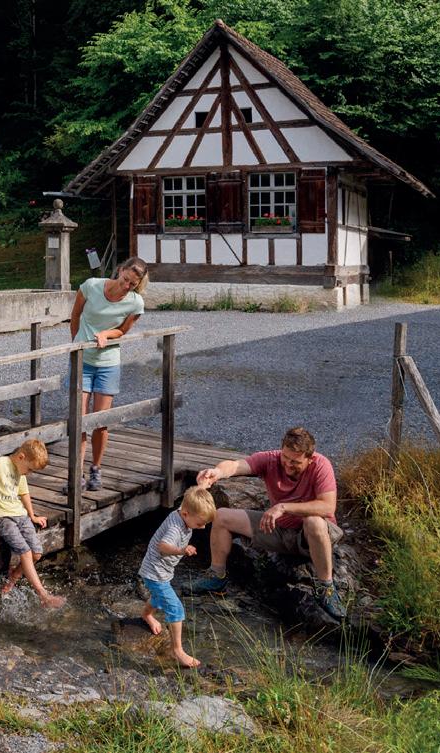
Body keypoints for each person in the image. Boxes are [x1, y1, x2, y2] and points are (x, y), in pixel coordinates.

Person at [186, 427, 345, 620]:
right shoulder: (271, 459)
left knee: (314, 522)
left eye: (295, 462)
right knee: (221, 516)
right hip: (280, 531)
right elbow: (236, 466)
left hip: (311, 536)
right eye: (285, 458)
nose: (288, 465)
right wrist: (216, 472)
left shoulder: (321, 465)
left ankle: (326, 588)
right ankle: (216, 576)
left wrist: (284, 507)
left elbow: (328, 506)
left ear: (309, 459)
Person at [69, 257, 148, 493]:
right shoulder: (91, 286)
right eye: (125, 280)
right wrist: (77, 345)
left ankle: (96, 468)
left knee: (100, 422)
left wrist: (105, 334)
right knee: (80, 420)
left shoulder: (135, 303)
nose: (126, 286)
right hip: (83, 361)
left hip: (108, 363)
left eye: (132, 284)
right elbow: (75, 316)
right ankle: (77, 474)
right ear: (120, 271)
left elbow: (122, 330)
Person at [0, 436, 66, 609]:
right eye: (30, 469)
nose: (29, 473)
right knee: (25, 552)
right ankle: (44, 595)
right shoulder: (1, 463)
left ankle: (13, 577)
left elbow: (24, 493)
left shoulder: (21, 470)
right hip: (2, 517)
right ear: (21, 457)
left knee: (36, 553)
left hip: (20, 515)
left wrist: (32, 516)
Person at [139, 486, 216, 668]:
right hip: (155, 573)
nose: (203, 527)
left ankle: (146, 614)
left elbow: (192, 497)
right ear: (186, 514)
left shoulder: (185, 510)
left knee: (159, 597)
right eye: (200, 523)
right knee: (176, 608)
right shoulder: (175, 528)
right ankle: (178, 651)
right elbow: (163, 546)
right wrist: (181, 550)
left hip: (159, 571)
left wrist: (202, 486)